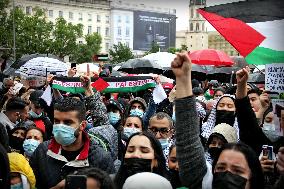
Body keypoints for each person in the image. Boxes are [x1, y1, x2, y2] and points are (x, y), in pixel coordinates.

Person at [171, 52, 264, 189]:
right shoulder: (205, 182)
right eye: (220, 168)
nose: (227, 174)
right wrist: (184, 79)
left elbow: (250, 132)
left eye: (238, 170)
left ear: (253, 176)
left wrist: (242, 88)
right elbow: (188, 142)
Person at [29, 78, 115, 188]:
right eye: (56, 121)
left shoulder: (101, 158)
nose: (60, 126)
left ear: (82, 125)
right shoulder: (42, 152)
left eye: (67, 122)